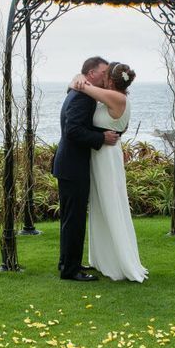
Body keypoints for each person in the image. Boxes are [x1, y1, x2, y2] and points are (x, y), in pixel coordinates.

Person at [68, 62, 148, 282]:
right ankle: (104, 259)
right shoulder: (111, 95)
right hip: (101, 153)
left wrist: (78, 77)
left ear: (111, 81)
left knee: (111, 204)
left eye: (105, 74)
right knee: (101, 207)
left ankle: (120, 262)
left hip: (106, 157)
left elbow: (80, 86)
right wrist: (79, 75)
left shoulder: (117, 98)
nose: (102, 77)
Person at [52, 57, 120, 282]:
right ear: (91, 73)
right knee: (75, 219)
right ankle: (70, 270)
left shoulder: (82, 92)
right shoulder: (82, 97)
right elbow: (73, 130)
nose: (106, 76)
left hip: (69, 165)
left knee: (71, 219)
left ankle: (67, 262)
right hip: (72, 166)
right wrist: (100, 137)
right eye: (103, 72)